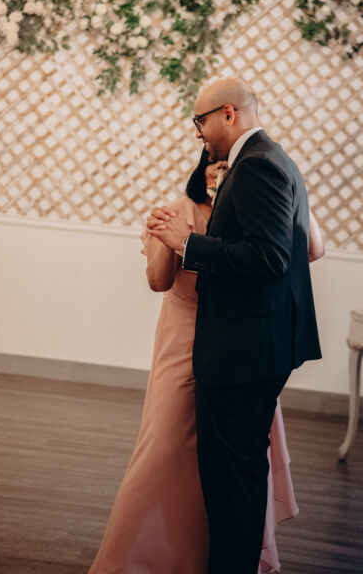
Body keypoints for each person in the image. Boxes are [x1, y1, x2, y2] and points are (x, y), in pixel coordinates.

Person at [88, 149, 323, 574]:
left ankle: (206, 559)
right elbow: (158, 281)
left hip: (238, 347)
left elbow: (311, 248)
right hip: (183, 344)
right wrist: (168, 239)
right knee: (163, 449)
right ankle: (138, 559)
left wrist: (291, 199)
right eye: (217, 164)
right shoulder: (181, 211)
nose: (223, 172)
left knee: (229, 463)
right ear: (205, 170)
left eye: (232, 167)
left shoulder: (255, 215)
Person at [147, 77, 322, 574]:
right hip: (259, 346)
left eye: (199, 121)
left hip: (242, 352)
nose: (197, 133)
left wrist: (188, 244)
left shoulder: (257, 166)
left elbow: (269, 257)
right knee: (240, 479)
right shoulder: (274, 159)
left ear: (228, 113)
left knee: (231, 487)